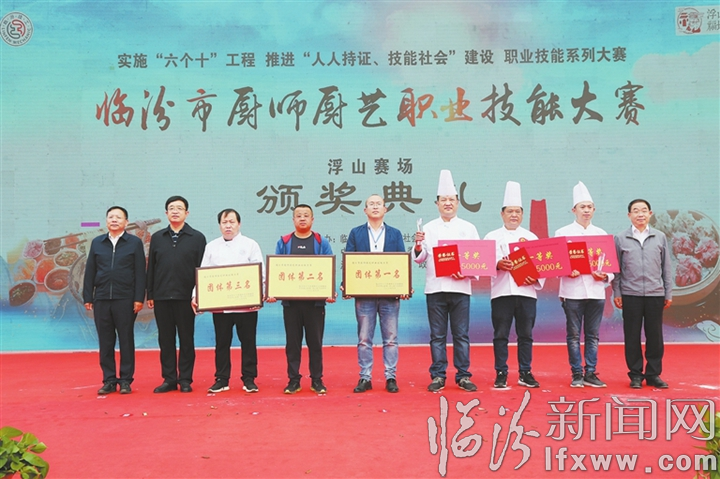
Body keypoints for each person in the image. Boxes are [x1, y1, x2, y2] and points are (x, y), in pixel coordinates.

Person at [413, 170, 480, 393]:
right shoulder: (428, 228)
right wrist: (418, 245)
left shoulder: (469, 228)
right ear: (437, 204)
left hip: (461, 289)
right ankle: (438, 376)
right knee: (437, 336)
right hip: (436, 288)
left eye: (451, 199)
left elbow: (478, 260)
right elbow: (420, 258)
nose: (448, 203)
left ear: (458, 203)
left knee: (461, 335)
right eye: (444, 200)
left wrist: (466, 273)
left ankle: (463, 376)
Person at [193, 209, 264, 394]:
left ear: (239, 224)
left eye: (232, 222)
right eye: (224, 222)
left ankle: (249, 379)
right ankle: (222, 379)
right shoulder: (212, 246)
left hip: (246, 306)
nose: (228, 226)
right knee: (222, 343)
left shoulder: (250, 244)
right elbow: (204, 273)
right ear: (219, 225)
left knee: (248, 342)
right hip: (221, 306)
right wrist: (196, 296)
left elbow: (260, 273)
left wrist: (260, 295)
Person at [484, 181, 545, 389]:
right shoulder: (491, 236)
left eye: (517, 212)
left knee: (526, 334)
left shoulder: (531, 237)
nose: (514, 215)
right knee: (500, 334)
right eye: (510, 211)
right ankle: (501, 372)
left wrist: (535, 278)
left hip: (526, 294)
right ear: (502, 214)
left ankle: (525, 372)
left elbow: (542, 267)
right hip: (501, 293)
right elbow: (483, 264)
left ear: (522, 214)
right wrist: (497, 264)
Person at [268, 204, 335, 395]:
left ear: (312, 219)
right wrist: (273, 291)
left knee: (315, 343)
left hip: (315, 304)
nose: (302, 218)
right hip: (291, 304)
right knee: (292, 344)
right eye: (299, 215)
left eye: (306, 215)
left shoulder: (321, 241)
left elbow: (328, 269)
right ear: (293, 220)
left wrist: (329, 291)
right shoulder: (284, 242)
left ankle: (317, 380)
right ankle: (293, 380)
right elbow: (277, 270)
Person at [554, 182, 613, 388]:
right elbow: (555, 265)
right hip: (572, 292)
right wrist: (566, 270)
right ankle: (576, 373)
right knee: (573, 335)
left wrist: (604, 276)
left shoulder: (602, 234)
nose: (586, 210)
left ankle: (591, 372)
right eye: (582, 207)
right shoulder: (562, 233)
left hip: (596, 292)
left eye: (589, 207)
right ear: (574, 210)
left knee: (593, 335)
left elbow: (610, 268)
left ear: (594, 210)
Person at [345, 194, 406, 394]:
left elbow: (401, 263)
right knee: (364, 338)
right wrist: (347, 285)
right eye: (371, 204)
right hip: (364, 295)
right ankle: (365, 377)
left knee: (391, 339)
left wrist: (404, 287)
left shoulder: (395, 234)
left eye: (379, 204)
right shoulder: (356, 233)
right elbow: (350, 261)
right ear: (365, 210)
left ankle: (391, 377)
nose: (375, 207)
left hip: (390, 296)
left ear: (385, 209)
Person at [83, 206, 146, 395]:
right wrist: (88, 296)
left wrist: (138, 298)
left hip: (125, 299)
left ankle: (126, 380)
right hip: (102, 298)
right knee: (105, 341)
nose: (114, 220)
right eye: (111, 217)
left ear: (126, 222)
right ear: (106, 221)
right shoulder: (97, 243)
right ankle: (109, 380)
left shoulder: (134, 243)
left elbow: (140, 272)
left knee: (126, 340)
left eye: (119, 217)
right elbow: (90, 270)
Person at [146, 196, 207, 393]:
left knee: (186, 340)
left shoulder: (197, 238)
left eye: (179, 208)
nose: (175, 211)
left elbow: (202, 269)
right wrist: (150, 294)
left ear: (186, 213)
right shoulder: (157, 237)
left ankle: (186, 379)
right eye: (171, 208)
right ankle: (169, 379)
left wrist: (200, 296)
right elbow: (151, 267)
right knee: (166, 340)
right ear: (166, 213)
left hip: (186, 298)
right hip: (162, 296)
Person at [612, 199, 672, 389]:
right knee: (632, 336)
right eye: (636, 211)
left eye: (644, 210)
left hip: (655, 294)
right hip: (630, 294)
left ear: (650, 214)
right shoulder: (620, 238)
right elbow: (616, 269)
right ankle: (635, 374)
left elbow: (666, 267)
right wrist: (617, 292)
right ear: (629, 215)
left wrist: (668, 292)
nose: (640, 214)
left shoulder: (660, 237)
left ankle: (653, 374)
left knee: (655, 336)